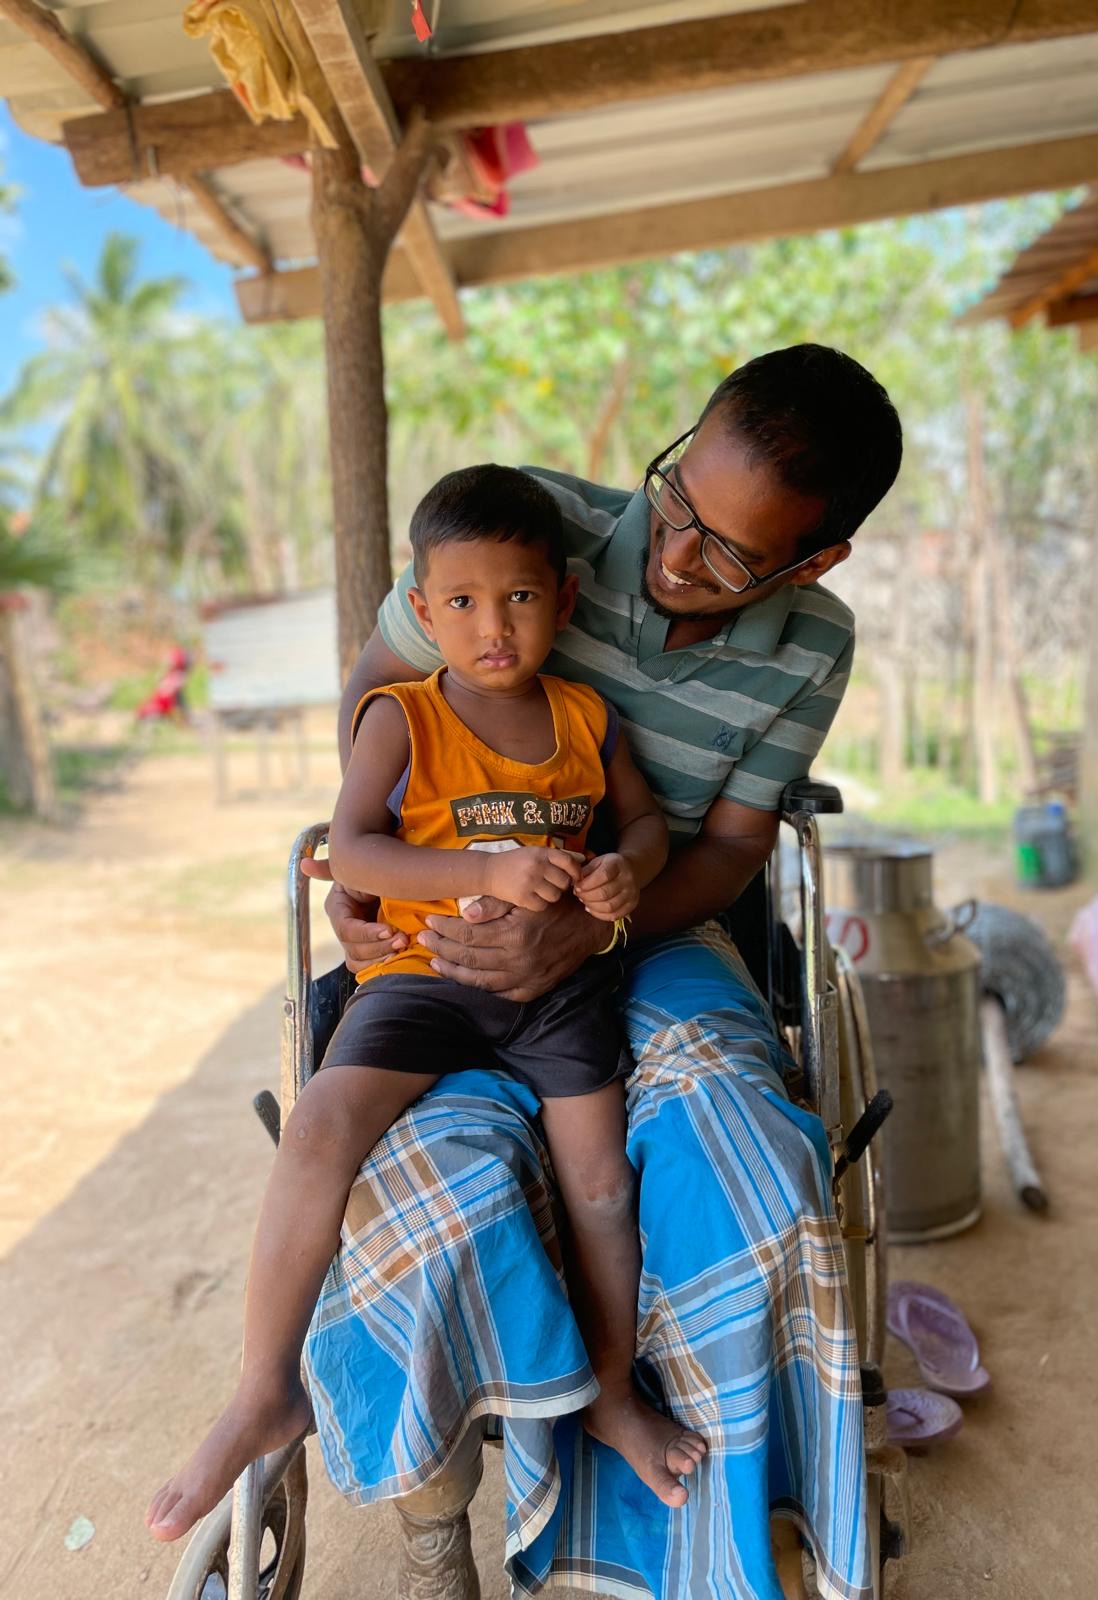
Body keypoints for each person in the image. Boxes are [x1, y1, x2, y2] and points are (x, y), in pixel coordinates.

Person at [303, 345, 902, 1600]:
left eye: (733, 555)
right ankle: (437, 1515)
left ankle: (723, 1516)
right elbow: (381, 700)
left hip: (660, 928)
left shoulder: (812, 646)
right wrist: (372, 888)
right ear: (681, 444)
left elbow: (732, 844)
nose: (676, 554)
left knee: (745, 1151)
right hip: (452, 929)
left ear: (814, 561)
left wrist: (592, 929)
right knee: (437, 1186)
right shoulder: (525, 531)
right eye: (678, 496)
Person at [145, 466, 705, 1543]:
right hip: (418, 978)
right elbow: (349, 845)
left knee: (597, 1179)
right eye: (461, 601)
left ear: (565, 600)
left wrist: (624, 871)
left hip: (560, 989)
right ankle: (265, 1387)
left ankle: (610, 1393)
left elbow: (645, 828)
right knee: (318, 1127)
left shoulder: (589, 717)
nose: (492, 625)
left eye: (522, 598)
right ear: (421, 601)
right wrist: (486, 867)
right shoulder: (402, 716)